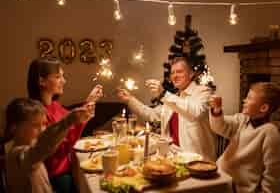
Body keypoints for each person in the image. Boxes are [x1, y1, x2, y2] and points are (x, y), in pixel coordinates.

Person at [117, 57, 217, 161]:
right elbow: (151, 114)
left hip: (197, 161)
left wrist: (164, 94)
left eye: (179, 72)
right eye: (172, 73)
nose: (175, 76)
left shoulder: (203, 92)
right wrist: (130, 99)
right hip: (172, 156)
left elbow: (196, 113)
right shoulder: (175, 96)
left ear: (191, 74)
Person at [27, 57, 103, 193]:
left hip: (67, 167)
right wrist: (78, 119)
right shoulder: (38, 113)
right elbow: (59, 149)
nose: (63, 81)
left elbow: (71, 126)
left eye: (62, 76)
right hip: (57, 175)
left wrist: (89, 102)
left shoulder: (55, 106)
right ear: (41, 81)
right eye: (57, 77)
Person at [5, 98, 95, 193]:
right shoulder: (16, 155)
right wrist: (67, 121)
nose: (42, 130)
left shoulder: (30, 149)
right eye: (35, 125)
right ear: (14, 128)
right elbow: (42, 147)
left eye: (44, 124)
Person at [209, 82, 280, 193]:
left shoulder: (269, 132)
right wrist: (217, 110)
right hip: (220, 178)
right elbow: (219, 127)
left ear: (263, 108)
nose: (244, 101)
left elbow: (272, 173)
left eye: (249, 98)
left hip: (239, 189)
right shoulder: (242, 120)